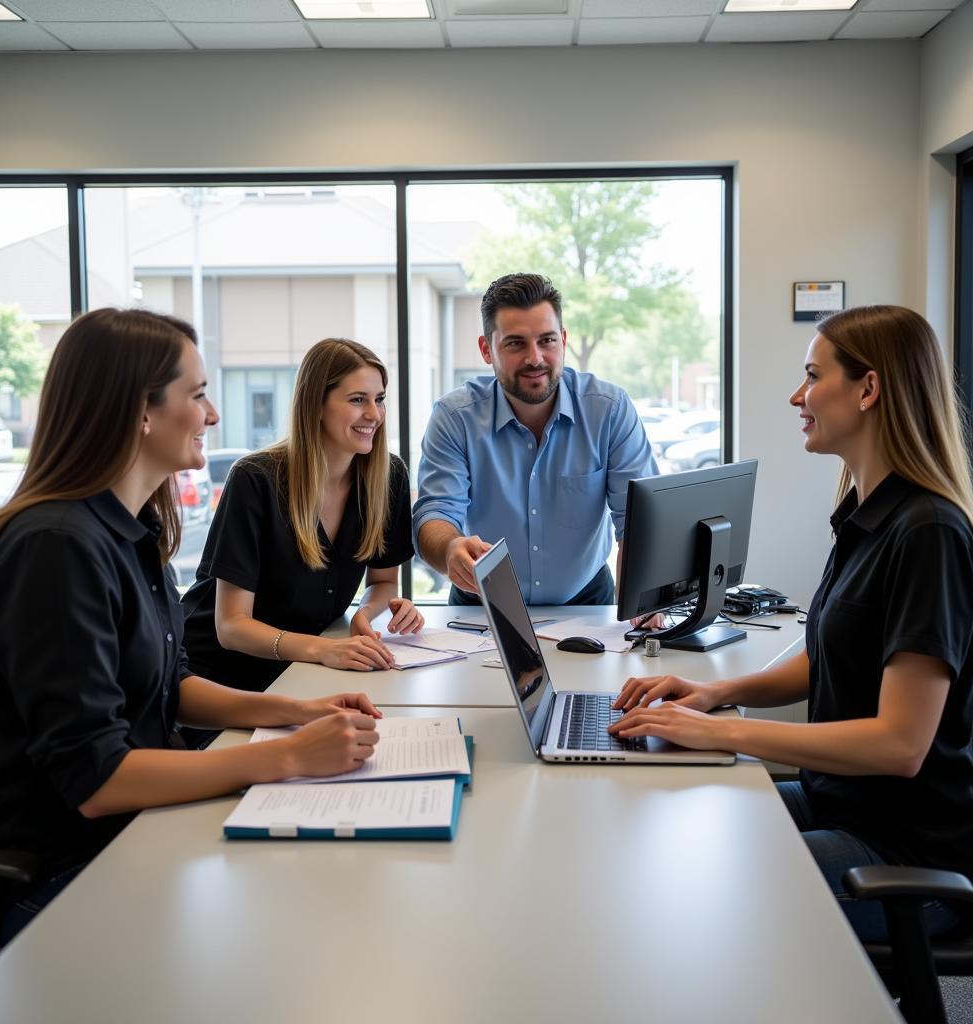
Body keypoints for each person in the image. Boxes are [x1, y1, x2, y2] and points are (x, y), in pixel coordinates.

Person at [0, 309, 382, 936]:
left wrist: (295, 712)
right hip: (59, 871)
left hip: (135, 831)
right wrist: (286, 758)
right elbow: (95, 778)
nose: (211, 415)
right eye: (199, 394)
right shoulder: (56, 548)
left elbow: (170, 687)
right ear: (140, 411)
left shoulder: (133, 531)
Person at [609, 305, 973, 941]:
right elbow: (827, 654)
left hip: (903, 852)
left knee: (688, 884)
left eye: (812, 376)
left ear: (868, 388)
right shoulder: (867, 512)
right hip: (841, 805)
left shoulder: (929, 533)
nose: (796, 396)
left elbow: (900, 744)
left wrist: (722, 735)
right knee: (669, 822)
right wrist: (717, 695)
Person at [182, 337, 423, 694]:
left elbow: (384, 582)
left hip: (303, 674)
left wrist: (366, 615)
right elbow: (231, 626)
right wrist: (325, 649)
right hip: (218, 679)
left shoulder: (389, 478)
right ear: (316, 406)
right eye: (358, 400)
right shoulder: (255, 480)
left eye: (379, 399)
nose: (374, 414)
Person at [413, 273, 658, 608]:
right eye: (516, 343)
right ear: (487, 350)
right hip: (481, 603)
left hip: (587, 601)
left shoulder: (609, 411)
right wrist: (449, 548)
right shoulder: (454, 417)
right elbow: (436, 513)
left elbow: (637, 519)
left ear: (564, 340)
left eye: (547, 341)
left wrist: (645, 597)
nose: (535, 358)